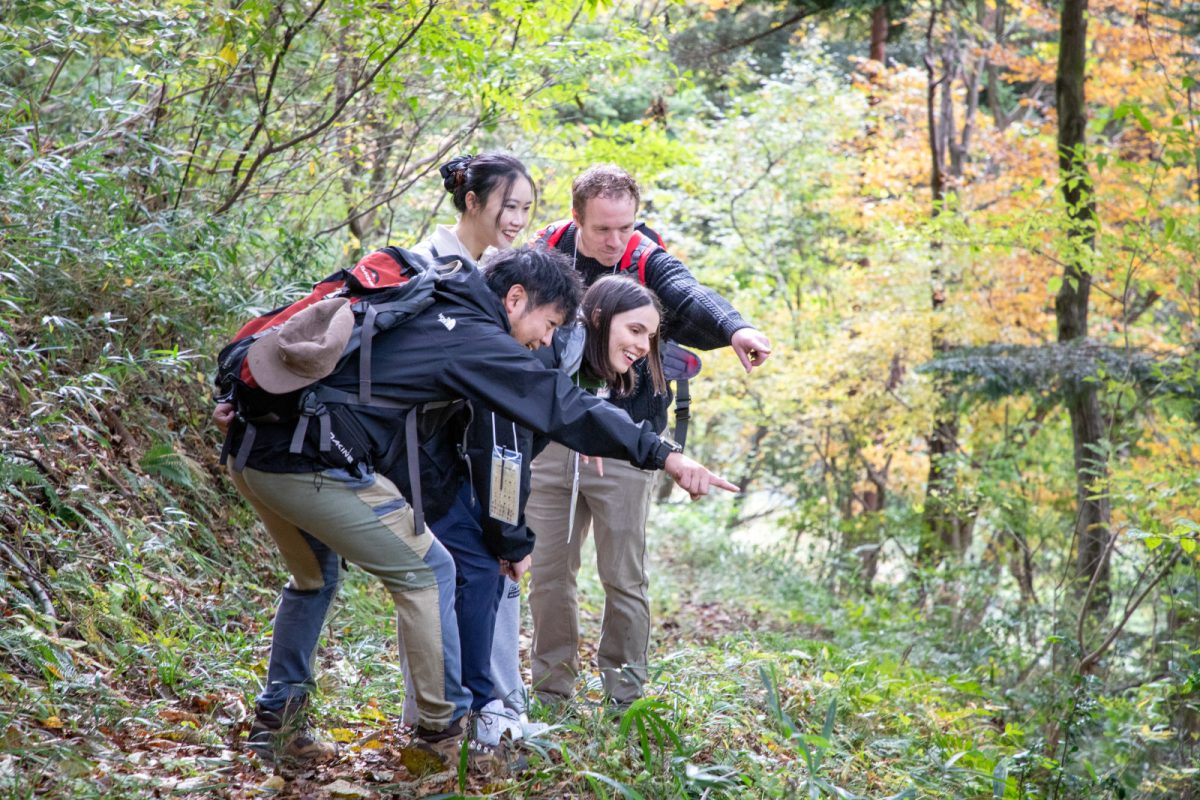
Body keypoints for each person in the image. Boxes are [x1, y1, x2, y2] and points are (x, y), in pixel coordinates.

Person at [221, 245, 736, 769]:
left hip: (255, 445)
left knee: (314, 580)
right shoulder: (475, 338)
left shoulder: (434, 304)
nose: (547, 339)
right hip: (308, 463)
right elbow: (559, 405)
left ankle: (278, 723)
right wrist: (664, 454)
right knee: (429, 571)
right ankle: (443, 734)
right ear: (515, 298)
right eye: (549, 323)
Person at [527, 164, 773, 708]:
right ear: (576, 218)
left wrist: (736, 327)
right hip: (554, 437)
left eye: (625, 227)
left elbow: (687, 292)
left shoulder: (645, 257)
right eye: (602, 229)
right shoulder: (547, 256)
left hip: (632, 442)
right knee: (548, 575)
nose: (615, 241)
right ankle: (551, 694)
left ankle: (625, 700)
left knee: (624, 578)